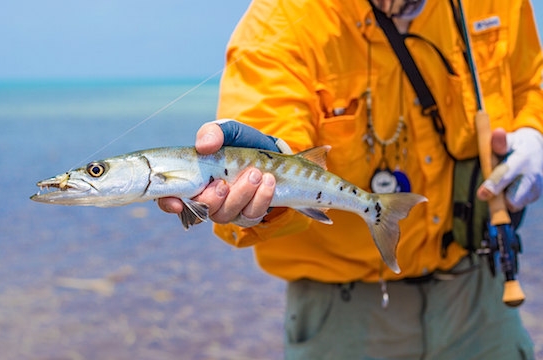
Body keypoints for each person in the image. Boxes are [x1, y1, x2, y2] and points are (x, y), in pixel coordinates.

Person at [159, 0, 543, 358]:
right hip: (345, 315)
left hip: (481, 293)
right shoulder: (280, 21)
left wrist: (534, 132)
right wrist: (257, 200)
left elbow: (531, 82)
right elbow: (268, 128)